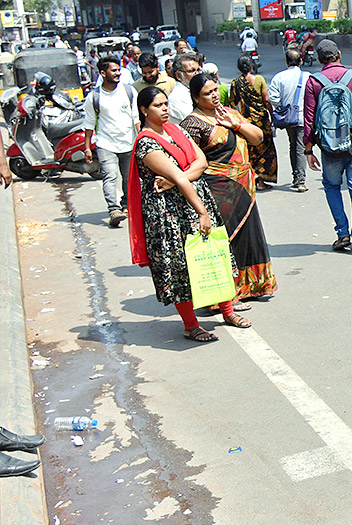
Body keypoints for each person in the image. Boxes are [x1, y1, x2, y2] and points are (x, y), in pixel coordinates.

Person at [126, 85, 248, 343]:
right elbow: (182, 176)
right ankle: (191, 325)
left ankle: (228, 310)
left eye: (166, 104)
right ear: (144, 110)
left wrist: (176, 180)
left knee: (215, 255)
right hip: (170, 214)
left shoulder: (174, 130)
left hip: (193, 201)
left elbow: (201, 162)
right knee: (181, 267)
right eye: (158, 106)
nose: (165, 109)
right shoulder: (146, 143)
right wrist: (200, 209)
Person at [181, 73, 278, 301]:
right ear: (196, 98)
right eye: (207, 93)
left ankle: (251, 287)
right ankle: (226, 293)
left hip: (244, 186)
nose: (214, 95)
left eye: (215, 90)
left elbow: (258, 138)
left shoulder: (229, 113)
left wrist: (237, 125)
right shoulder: (192, 124)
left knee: (247, 236)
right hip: (216, 189)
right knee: (226, 240)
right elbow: (189, 160)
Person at [302, 40, 352, 254]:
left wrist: (309, 150)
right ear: (339, 55)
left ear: (319, 59)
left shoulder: (313, 82)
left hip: (329, 147)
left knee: (332, 186)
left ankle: (342, 234)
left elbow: (309, 120)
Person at [82, 56, 137, 228]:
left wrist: (141, 138)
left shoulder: (129, 92)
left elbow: (136, 117)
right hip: (106, 144)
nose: (117, 73)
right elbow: (89, 124)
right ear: (102, 73)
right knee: (110, 176)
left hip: (128, 142)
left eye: (118, 70)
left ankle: (126, 205)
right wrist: (87, 148)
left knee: (129, 178)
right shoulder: (94, 97)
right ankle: (114, 210)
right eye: (113, 70)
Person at [230, 54, 275, 190]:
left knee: (250, 150)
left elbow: (233, 102)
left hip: (246, 122)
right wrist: (272, 115)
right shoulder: (259, 79)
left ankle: (252, 179)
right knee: (265, 149)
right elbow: (266, 99)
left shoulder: (235, 83)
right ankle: (262, 181)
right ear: (251, 66)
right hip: (262, 120)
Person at [267, 49, 309, 192]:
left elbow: (273, 98)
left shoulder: (279, 77)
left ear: (286, 61)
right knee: (299, 148)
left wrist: (283, 108)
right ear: (301, 61)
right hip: (303, 117)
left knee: (293, 146)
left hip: (287, 118)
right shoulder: (308, 77)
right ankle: (300, 180)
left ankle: (296, 177)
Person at [167, 53, 201, 123]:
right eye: (192, 71)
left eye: (198, 70)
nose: (197, 74)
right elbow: (195, 122)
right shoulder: (177, 98)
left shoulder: (195, 90)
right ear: (179, 75)